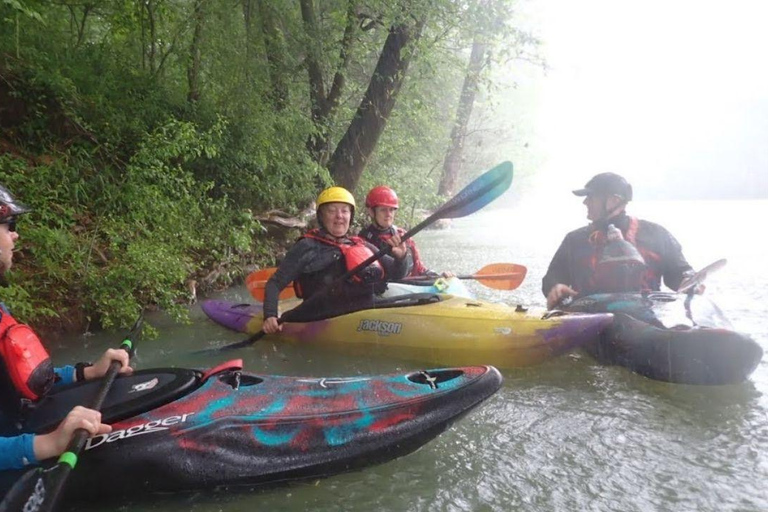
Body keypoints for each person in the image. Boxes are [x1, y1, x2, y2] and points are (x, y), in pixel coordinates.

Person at [0, 184, 133, 471]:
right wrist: (49, 444)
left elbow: (23, 385)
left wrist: (87, 372)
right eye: (9, 225)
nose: (15, 234)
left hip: (21, 431)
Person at [262, 186, 410, 333]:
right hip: (322, 318)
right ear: (321, 216)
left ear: (350, 216)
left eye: (344, 211)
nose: (339, 216)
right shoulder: (307, 246)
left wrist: (401, 257)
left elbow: (397, 274)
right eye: (332, 211)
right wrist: (270, 315)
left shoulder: (361, 244)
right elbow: (275, 283)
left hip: (364, 313)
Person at [542, 172, 700, 309]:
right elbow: (551, 279)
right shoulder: (574, 240)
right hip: (589, 322)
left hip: (644, 319)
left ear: (614, 200)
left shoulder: (656, 234)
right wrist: (555, 287)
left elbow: (679, 273)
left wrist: (690, 282)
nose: (585, 202)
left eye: (591, 197)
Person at [359, 186, 453, 279]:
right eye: (383, 210)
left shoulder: (402, 234)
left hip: (411, 287)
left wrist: (438, 276)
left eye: (391, 210)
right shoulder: (362, 241)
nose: (388, 214)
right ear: (371, 212)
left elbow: (419, 269)